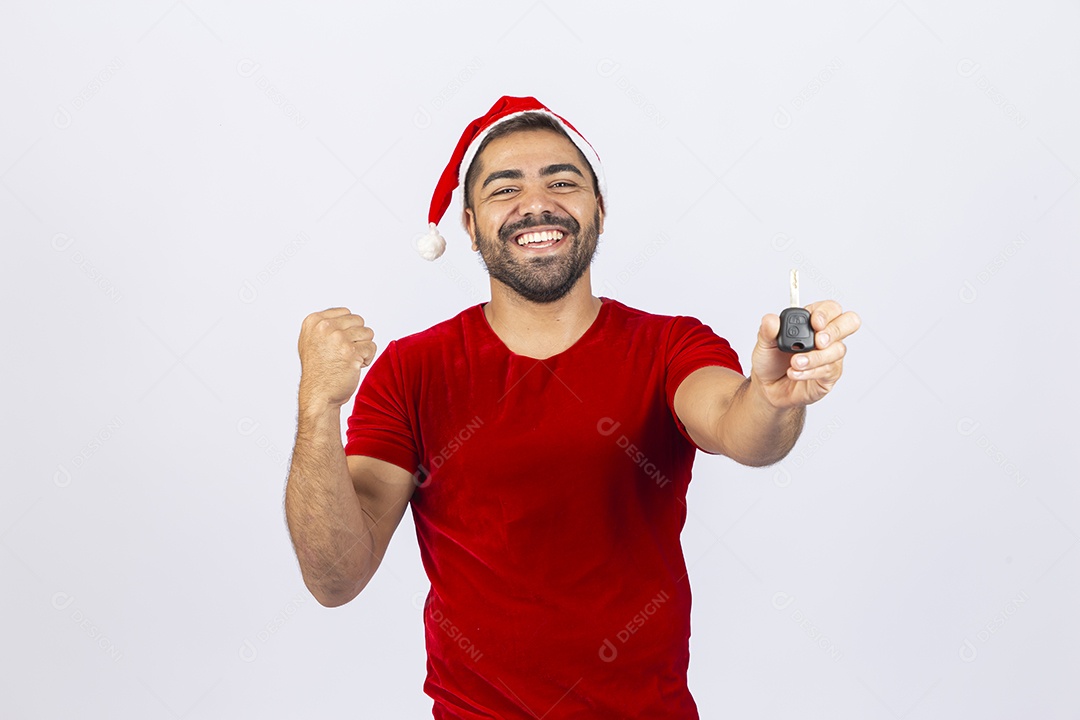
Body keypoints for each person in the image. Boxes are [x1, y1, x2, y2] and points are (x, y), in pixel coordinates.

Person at [284, 96, 861, 719]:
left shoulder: (669, 346)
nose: (537, 204)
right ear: (471, 225)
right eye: (506, 188)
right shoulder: (411, 370)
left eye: (563, 182)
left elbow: (740, 427)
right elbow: (335, 578)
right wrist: (317, 409)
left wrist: (774, 398)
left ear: (599, 213)